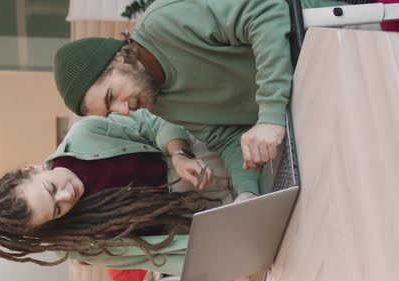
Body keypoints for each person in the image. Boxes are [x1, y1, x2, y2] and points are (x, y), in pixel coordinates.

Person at [0, 109, 257, 281]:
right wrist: (233, 269)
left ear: (34, 168)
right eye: (56, 210)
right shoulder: (84, 243)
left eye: (51, 188)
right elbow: (166, 255)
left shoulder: (85, 135)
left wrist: (177, 153)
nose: (67, 196)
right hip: (218, 217)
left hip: (214, 154)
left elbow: (153, 121)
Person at [53, 0, 339, 198]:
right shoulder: (158, 101)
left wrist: (270, 114)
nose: (122, 111)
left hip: (331, 39)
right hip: (315, 103)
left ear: (117, 59)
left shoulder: (164, 22)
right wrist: (248, 191)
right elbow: (225, 136)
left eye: (112, 96)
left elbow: (265, 11)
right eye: (110, 112)